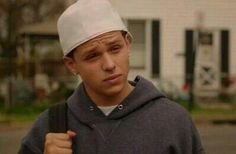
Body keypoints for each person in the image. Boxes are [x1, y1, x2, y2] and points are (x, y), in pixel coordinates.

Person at [19, 0, 205, 153]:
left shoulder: (173, 121)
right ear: (72, 65)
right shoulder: (51, 127)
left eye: (115, 49)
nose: (109, 64)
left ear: (128, 44)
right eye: (92, 56)